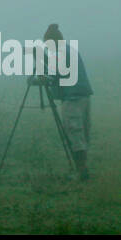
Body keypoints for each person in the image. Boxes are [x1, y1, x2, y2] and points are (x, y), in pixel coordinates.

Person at [41, 24, 93, 180]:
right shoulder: (68, 50)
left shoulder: (61, 53)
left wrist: (42, 73)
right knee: (82, 132)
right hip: (82, 96)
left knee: (74, 132)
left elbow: (54, 74)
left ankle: (81, 171)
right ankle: (81, 168)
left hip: (73, 98)